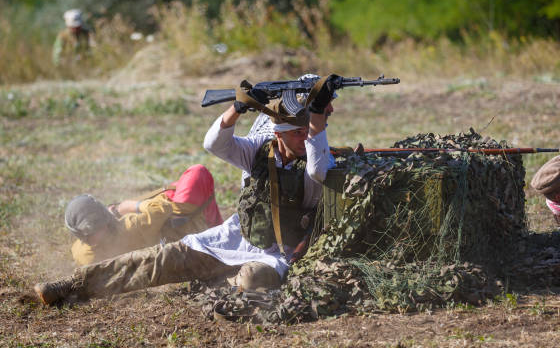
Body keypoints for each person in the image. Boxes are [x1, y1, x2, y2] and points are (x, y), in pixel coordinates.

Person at [33, 76, 337, 305]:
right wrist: (237, 108)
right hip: (232, 238)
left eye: (305, 132)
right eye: (296, 132)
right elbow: (214, 144)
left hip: (278, 254)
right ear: (278, 133)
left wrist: (318, 119)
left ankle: (223, 278)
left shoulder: (317, 155)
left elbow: (317, 170)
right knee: (158, 260)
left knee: (252, 279)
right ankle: (72, 286)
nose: (302, 138)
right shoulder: (259, 150)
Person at [66, 164, 223, 266]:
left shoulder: (81, 253)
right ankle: (217, 229)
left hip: (160, 239)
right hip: (179, 221)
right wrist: (126, 207)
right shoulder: (131, 226)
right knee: (197, 173)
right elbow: (163, 208)